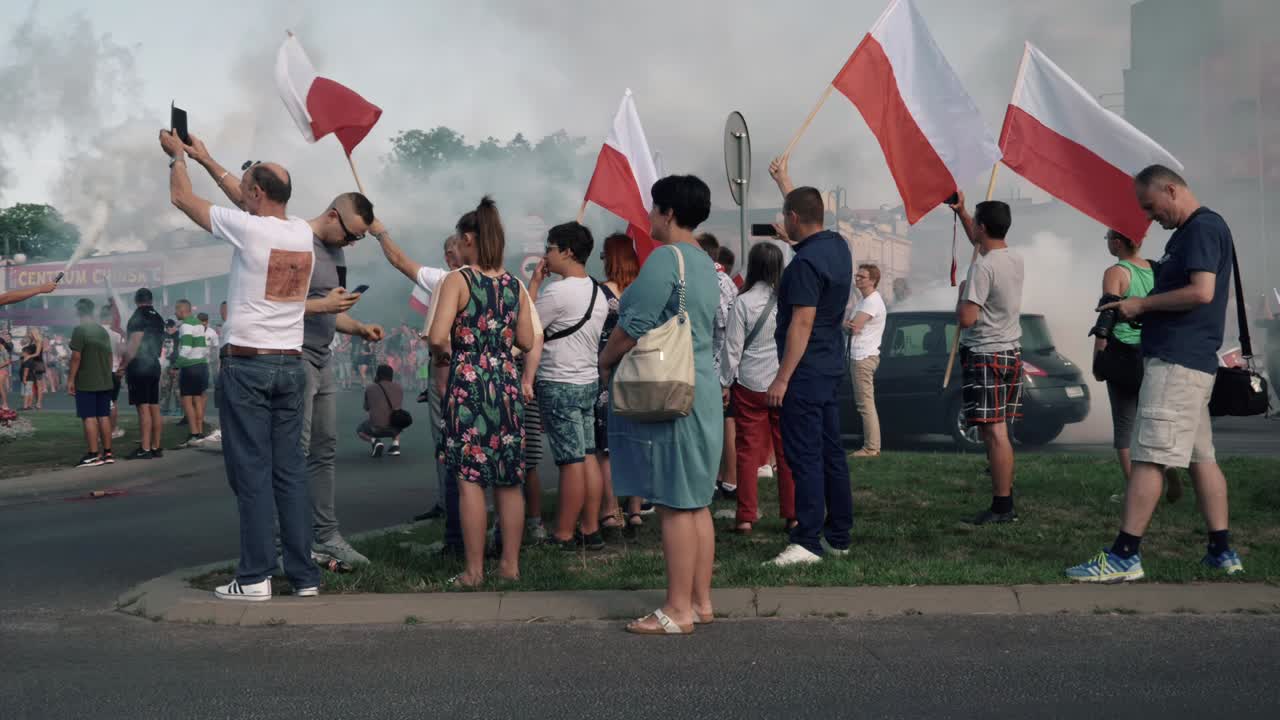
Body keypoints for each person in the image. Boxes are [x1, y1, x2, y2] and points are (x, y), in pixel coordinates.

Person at [160, 128, 320, 600]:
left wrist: (178, 159)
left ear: (256, 194)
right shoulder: (301, 231)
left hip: (248, 365)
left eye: (247, 188)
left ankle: (254, 578)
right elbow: (245, 196)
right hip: (291, 365)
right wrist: (208, 158)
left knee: (251, 472)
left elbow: (182, 199)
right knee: (289, 473)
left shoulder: (249, 227)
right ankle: (304, 578)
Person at [1067, 165, 1243, 582]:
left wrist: (1140, 306)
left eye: (1151, 207)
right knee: (1203, 459)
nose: (1150, 217)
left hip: (1177, 364)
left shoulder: (1200, 228)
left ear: (1171, 189)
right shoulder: (1196, 230)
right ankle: (1222, 551)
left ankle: (1125, 555)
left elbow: (1202, 291)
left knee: (1146, 456)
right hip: (1191, 361)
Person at [600, 175, 721, 634]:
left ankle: (676, 610)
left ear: (668, 213)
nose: (649, 216)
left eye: (653, 208)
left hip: (672, 387)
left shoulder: (664, 259)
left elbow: (634, 324)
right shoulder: (704, 261)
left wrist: (606, 361)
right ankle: (700, 602)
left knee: (673, 502)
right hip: (701, 384)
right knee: (696, 502)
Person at [428, 196, 535, 587]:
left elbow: (439, 336)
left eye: (458, 239)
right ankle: (509, 566)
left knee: (470, 478)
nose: (456, 246)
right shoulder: (514, 285)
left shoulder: (459, 281)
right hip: (505, 382)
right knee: (508, 478)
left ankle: (473, 572)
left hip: (469, 381)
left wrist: (444, 356)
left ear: (469, 239)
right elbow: (525, 338)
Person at [763, 157, 853, 567]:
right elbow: (809, 219)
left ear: (794, 219)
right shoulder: (837, 248)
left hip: (804, 372)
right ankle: (839, 534)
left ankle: (808, 541)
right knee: (832, 453)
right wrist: (786, 183)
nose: (783, 222)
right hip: (831, 367)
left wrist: (782, 379)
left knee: (805, 457)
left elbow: (801, 322)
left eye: (786, 217)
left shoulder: (802, 266)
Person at [529, 221, 610, 549]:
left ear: (567, 252)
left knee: (570, 461)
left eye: (550, 247)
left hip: (558, 382)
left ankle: (562, 533)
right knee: (587, 454)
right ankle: (590, 528)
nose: (546, 254)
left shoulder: (557, 292)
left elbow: (527, 328)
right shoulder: (596, 291)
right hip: (586, 381)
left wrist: (534, 285)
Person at [373, 230, 460, 529]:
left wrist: (380, 232)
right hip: (474, 372)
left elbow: (399, 260)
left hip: (448, 371)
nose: (448, 257)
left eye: (453, 250)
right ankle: (455, 502)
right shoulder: (494, 280)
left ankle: (452, 505)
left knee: (445, 440)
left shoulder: (448, 280)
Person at [1092, 229, 1183, 505]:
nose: (1107, 242)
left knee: (1124, 426)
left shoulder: (1116, 272)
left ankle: (1136, 492)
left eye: (1107, 237)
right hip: (1154, 351)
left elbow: (1107, 317)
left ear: (1118, 242)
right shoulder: (1155, 268)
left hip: (1123, 354)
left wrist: (1098, 358)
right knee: (1151, 419)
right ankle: (1167, 467)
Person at [949, 193, 1024, 524]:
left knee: (994, 434)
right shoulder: (1012, 258)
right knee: (1000, 432)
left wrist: (963, 291)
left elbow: (966, 318)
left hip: (985, 353)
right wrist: (964, 212)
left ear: (982, 227)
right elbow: (980, 242)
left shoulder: (982, 268)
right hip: (1010, 351)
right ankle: (1003, 500)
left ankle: (1002, 507)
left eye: (975, 224)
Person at [719, 242, 795, 534]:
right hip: (780, 383)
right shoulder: (787, 301)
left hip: (749, 385)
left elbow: (733, 349)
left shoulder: (742, 301)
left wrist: (725, 382)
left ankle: (746, 516)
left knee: (748, 452)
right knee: (786, 450)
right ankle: (793, 514)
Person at [596, 232, 643, 534]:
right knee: (635, 441)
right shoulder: (641, 292)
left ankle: (610, 511)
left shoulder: (601, 294)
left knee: (606, 445)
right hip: (639, 372)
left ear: (610, 259)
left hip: (607, 371)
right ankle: (636, 510)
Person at [697, 232, 740, 500]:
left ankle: (717, 480)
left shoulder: (715, 281)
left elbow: (724, 328)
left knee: (711, 425)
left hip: (714, 365)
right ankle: (721, 479)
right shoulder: (722, 280)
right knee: (721, 423)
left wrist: (723, 374)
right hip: (720, 365)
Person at [846, 263, 888, 458]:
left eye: (862, 276)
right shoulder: (864, 301)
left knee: (865, 404)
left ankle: (871, 447)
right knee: (864, 403)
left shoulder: (872, 301)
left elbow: (853, 327)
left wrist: (843, 324)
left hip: (863, 356)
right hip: (859, 355)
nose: (858, 278)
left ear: (873, 280)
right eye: (857, 275)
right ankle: (871, 446)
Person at [68, 298, 116, 467]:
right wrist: (106, 373)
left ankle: (93, 454)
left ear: (78, 312)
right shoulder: (101, 331)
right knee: (103, 416)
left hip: (87, 380)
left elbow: (76, 357)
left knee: (89, 417)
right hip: (104, 379)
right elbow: (110, 356)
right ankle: (108, 453)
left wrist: (70, 380)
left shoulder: (80, 330)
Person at [121, 288, 166, 458]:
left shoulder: (138, 317)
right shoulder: (158, 317)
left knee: (143, 407)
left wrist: (123, 364)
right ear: (151, 300)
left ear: (136, 300)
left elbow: (134, 343)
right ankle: (156, 446)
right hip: (154, 364)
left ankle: (145, 449)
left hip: (140, 365)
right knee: (154, 406)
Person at [173, 299, 210, 445]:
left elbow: (186, 348)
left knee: (187, 400)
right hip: (201, 365)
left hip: (190, 367)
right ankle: (199, 431)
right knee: (198, 399)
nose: (175, 313)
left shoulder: (185, 325)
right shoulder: (199, 324)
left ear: (182, 311)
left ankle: (194, 433)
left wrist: (176, 365)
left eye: (176, 310)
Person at [358, 364, 405, 457]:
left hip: (376, 428)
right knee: (397, 418)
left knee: (360, 430)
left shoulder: (370, 388)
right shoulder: (399, 387)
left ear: (378, 375)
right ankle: (395, 445)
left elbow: (366, 408)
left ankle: (375, 441)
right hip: (395, 428)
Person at [99, 305, 126, 440]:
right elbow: (123, 352)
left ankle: (100, 432)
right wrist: (123, 367)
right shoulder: (117, 333)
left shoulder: (95, 332)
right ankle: (112, 430)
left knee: (99, 402)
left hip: (98, 371)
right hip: (114, 370)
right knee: (113, 402)